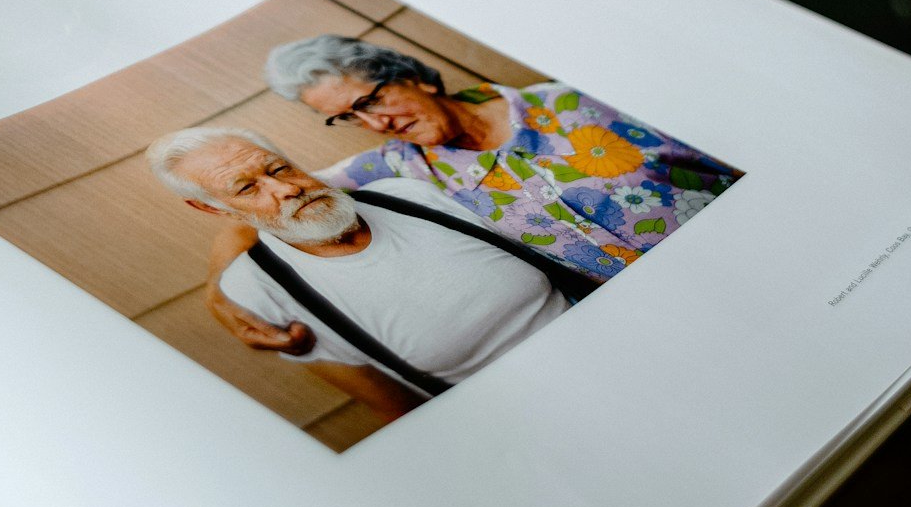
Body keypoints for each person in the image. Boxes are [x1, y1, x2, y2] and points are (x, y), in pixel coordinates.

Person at [204, 32, 740, 357]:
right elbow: (262, 201)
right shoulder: (397, 166)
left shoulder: (569, 100)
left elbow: (724, 160)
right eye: (349, 116)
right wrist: (219, 295)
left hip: (744, 256)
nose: (376, 122)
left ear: (416, 78)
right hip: (654, 326)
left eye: (372, 98)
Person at [148, 126, 580, 424]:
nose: (286, 188)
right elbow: (397, 408)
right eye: (246, 188)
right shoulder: (256, 290)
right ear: (210, 208)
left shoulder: (402, 192)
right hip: (517, 417)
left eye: (278, 168)